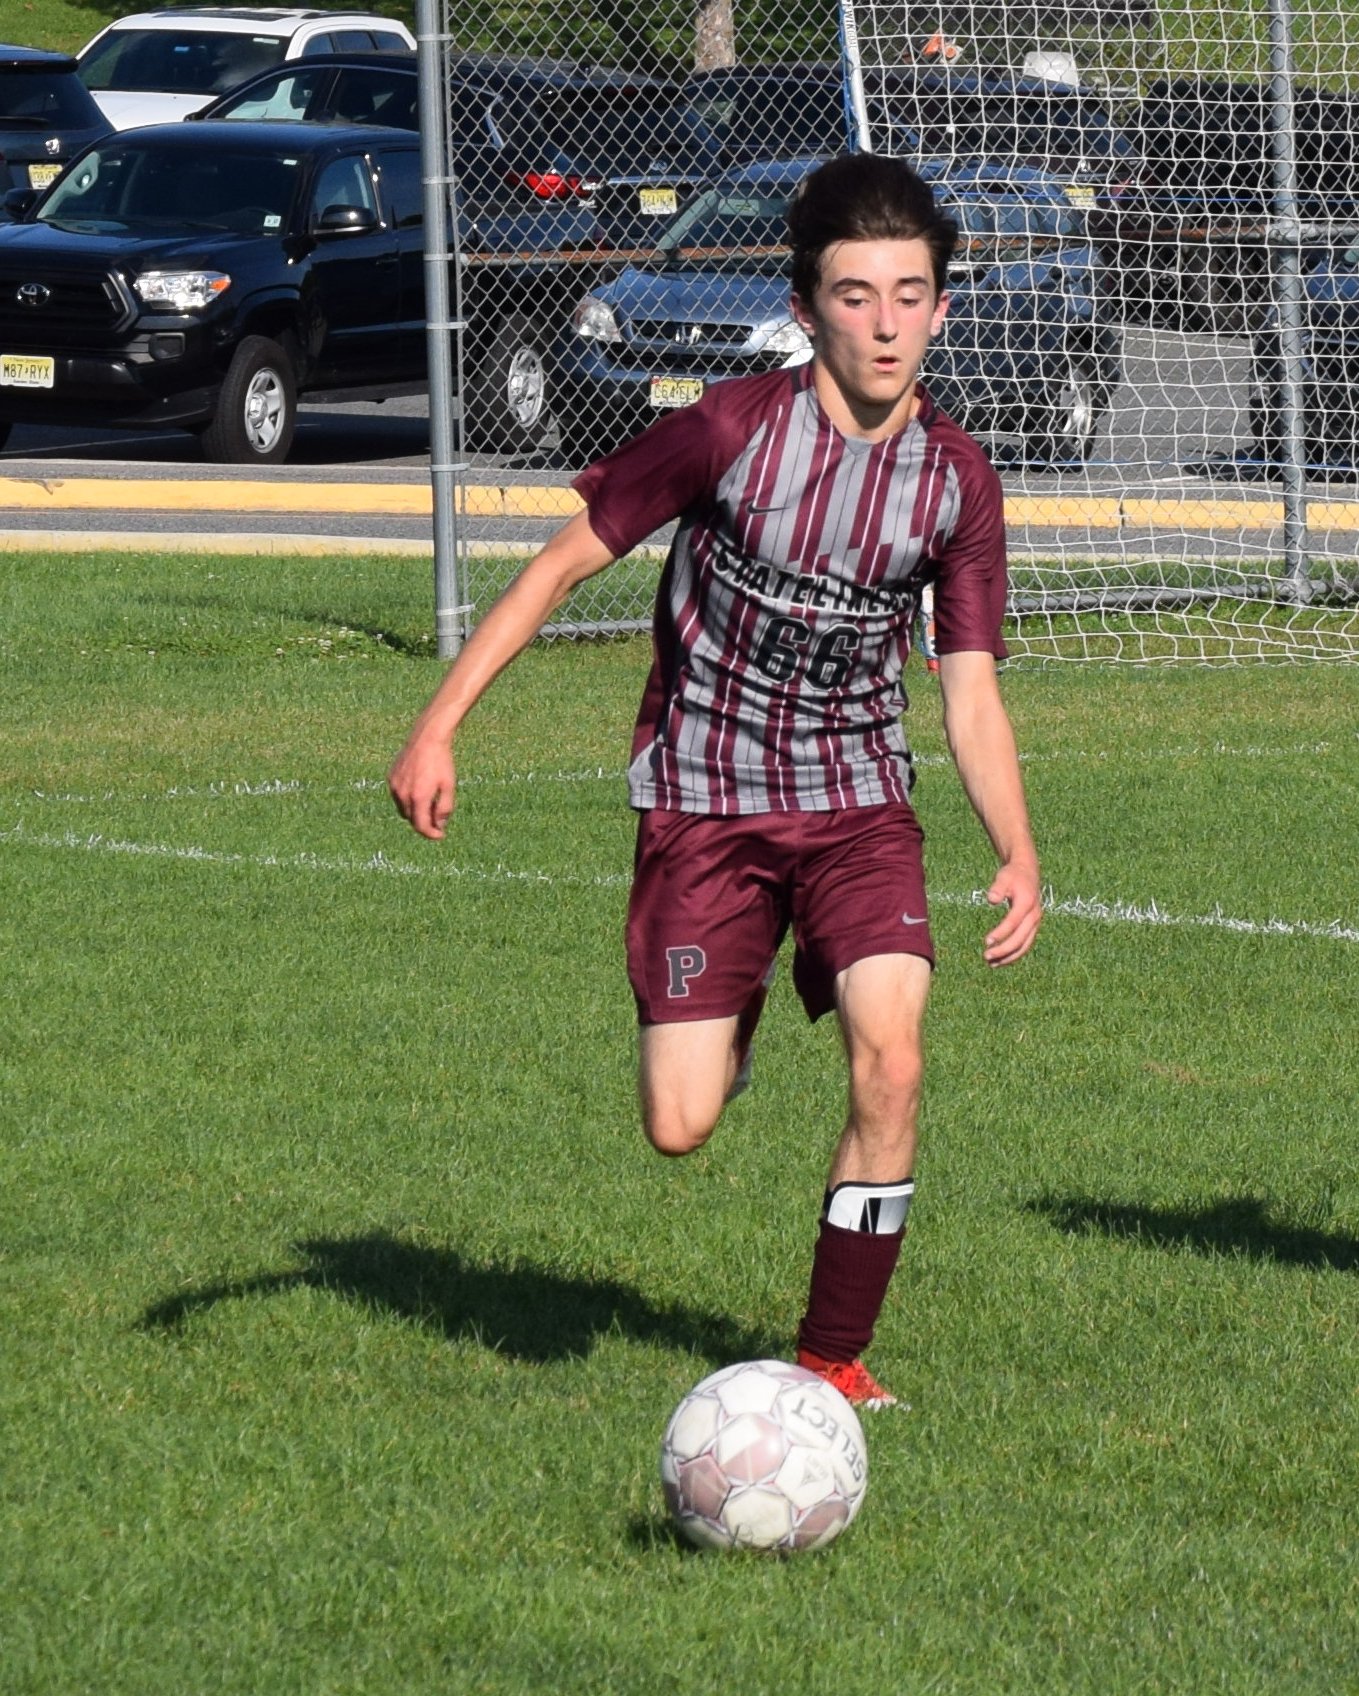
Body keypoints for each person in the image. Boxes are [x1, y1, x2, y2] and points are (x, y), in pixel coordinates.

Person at [388, 153, 1041, 1409]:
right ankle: (726, 1022)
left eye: (910, 295)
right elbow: (556, 569)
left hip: (858, 803)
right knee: (679, 1122)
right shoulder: (728, 430)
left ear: (943, 309)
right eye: (856, 295)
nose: (886, 324)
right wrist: (439, 726)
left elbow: (968, 690)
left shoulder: (956, 480)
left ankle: (830, 1358)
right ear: (806, 309)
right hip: (705, 800)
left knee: (893, 1059)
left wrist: (1015, 846)